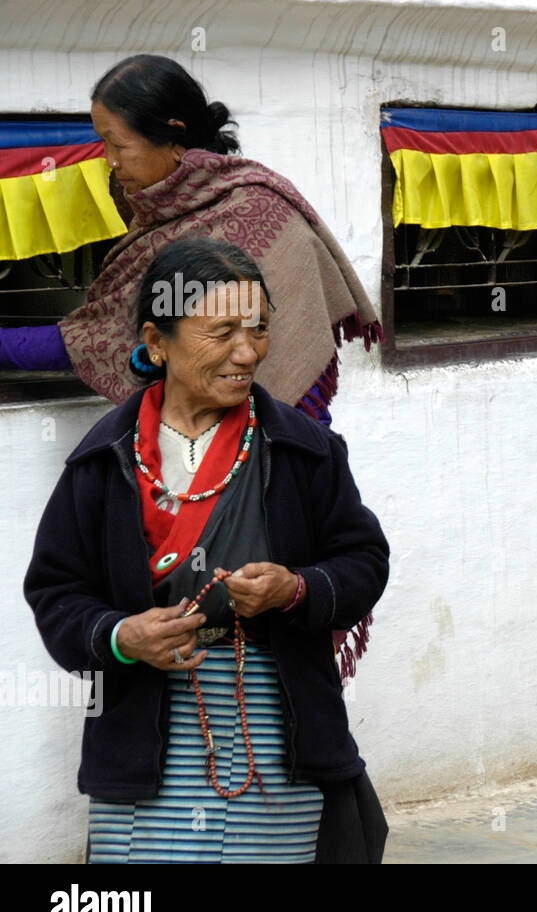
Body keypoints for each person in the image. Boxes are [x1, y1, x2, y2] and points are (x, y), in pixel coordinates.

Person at [25, 237, 389, 863]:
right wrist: (120, 636)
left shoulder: (305, 452)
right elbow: (56, 592)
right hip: (145, 740)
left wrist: (295, 589)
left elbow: (362, 561)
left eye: (259, 330)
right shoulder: (102, 462)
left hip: (277, 738)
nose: (246, 353)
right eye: (221, 333)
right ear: (157, 340)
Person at [0, 54, 380, 425]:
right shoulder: (163, 214)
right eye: (103, 143)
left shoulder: (259, 209)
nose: (110, 160)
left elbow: (93, 340)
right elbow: (108, 333)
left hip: (289, 449)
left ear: (173, 135)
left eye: (118, 144)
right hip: (196, 457)